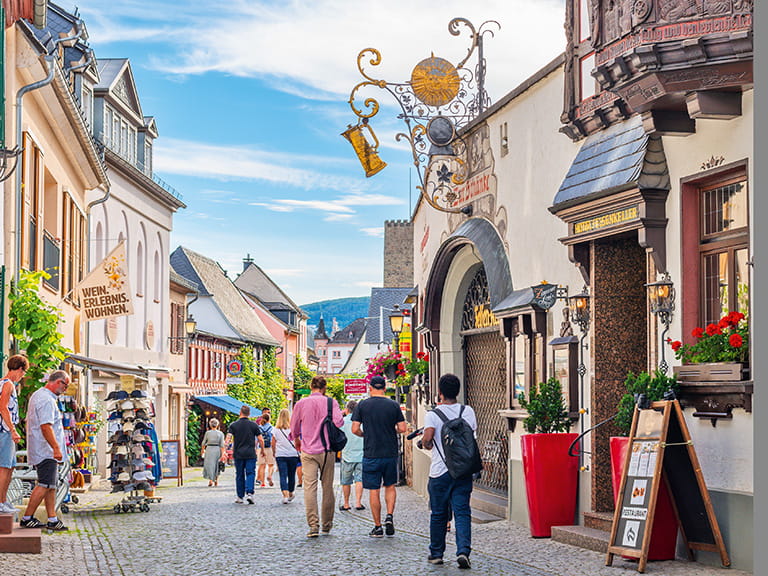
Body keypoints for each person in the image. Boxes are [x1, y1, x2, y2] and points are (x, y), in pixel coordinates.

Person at [420, 373, 478, 569]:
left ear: (440, 392)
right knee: (462, 512)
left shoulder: (433, 414)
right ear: (458, 391)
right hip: (463, 470)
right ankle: (463, 551)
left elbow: (428, 439)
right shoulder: (467, 411)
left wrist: (425, 442)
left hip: (440, 472)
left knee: (438, 513)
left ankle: (436, 554)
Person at [352, 375, 406, 538]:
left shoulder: (362, 405)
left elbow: (354, 429)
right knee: (390, 486)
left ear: (370, 388)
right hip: (390, 452)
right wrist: (391, 430)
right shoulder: (393, 405)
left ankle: (377, 526)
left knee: (374, 490)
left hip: (371, 453)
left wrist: (364, 434)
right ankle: (389, 516)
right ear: (384, 388)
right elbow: (402, 428)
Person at [289, 376, 343, 537]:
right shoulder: (331, 402)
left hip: (308, 450)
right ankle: (326, 525)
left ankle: (313, 526)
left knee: (309, 488)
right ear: (324, 387)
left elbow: (294, 428)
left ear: (311, 387)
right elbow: (339, 423)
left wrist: (297, 440)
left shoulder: (301, 403)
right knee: (327, 487)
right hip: (327, 450)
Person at [19, 370, 70, 530]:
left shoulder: (40, 395)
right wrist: (56, 448)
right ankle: (27, 517)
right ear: (58, 382)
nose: (66, 389)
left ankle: (52, 519)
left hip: (44, 449)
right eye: (66, 385)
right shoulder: (46, 400)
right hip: (46, 450)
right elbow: (46, 426)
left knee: (50, 485)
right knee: (44, 484)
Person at [0, 355, 28, 513]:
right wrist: (12, 430)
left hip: (5, 430)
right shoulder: (8, 384)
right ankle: (0, 502)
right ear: (19, 369)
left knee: (10, 467)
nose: (23, 376)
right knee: (5, 467)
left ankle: (4, 500)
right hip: (4, 430)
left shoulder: (4, 383)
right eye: (24, 372)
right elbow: (3, 407)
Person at [225, 405, 264, 504]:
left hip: (238, 453)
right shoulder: (254, 425)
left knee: (239, 474)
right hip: (250, 453)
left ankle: (240, 496)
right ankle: (250, 493)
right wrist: (262, 450)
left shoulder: (234, 425)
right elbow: (260, 439)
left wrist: (224, 450)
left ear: (240, 413)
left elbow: (228, 438)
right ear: (249, 414)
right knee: (250, 473)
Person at [338, 400, 365, 511]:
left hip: (347, 455)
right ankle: (358, 503)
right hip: (361, 455)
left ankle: (346, 504)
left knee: (346, 481)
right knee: (360, 480)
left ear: (347, 410)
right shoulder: (362, 422)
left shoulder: (343, 422)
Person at [273, 408, 300, 504]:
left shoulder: (275, 430)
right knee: (292, 474)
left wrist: (274, 453)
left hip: (280, 455)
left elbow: (273, 443)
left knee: (283, 475)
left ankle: (285, 495)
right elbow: (298, 442)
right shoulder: (293, 429)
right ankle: (291, 492)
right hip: (293, 454)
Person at [201, 418, 226, 487]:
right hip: (217, 449)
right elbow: (222, 445)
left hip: (209, 449)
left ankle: (211, 480)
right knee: (216, 465)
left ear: (210, 425)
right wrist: (223, 453)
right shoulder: (220, 433)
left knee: (210, 465)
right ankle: (216, 480)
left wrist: (202, 450)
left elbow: (203, 443)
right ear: (217, 425)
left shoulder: (207, 433)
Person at [257, 412, 275, 487]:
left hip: (261, 448)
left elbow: (257, 439)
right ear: (269, 419)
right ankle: (269, 475)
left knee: (262, 466)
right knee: (271, 465)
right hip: (269, 448)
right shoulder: (272, 427)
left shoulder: (259, 428)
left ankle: (262, 482)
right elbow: (273, 439)